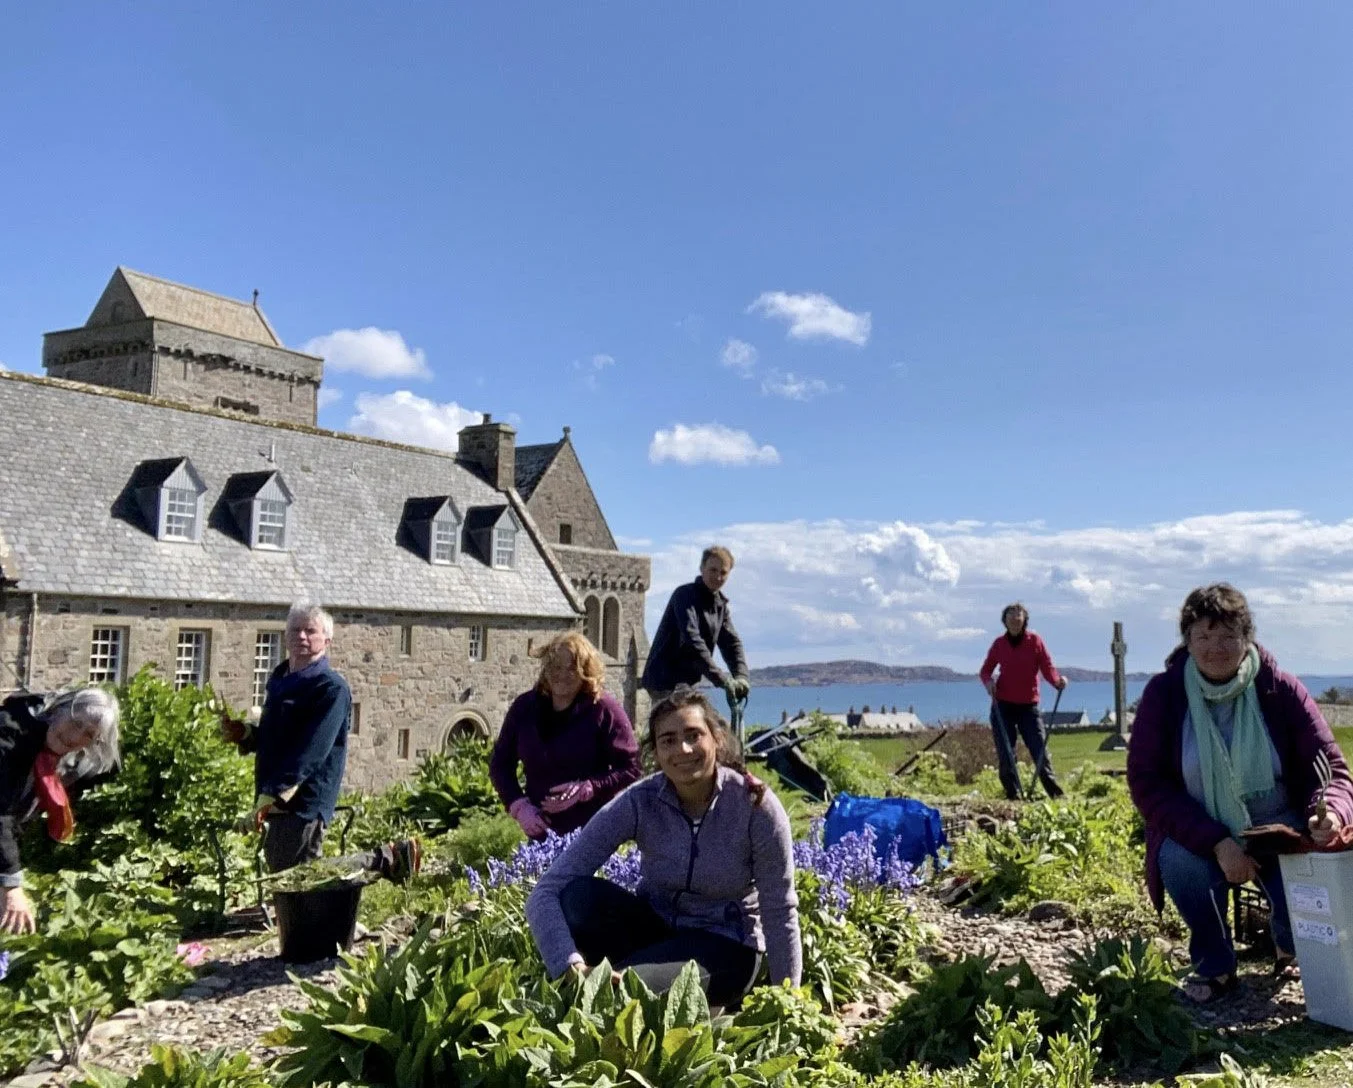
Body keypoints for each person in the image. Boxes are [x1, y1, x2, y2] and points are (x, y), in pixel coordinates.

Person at [1127, 584, 1353, 1003]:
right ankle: (1215, 966)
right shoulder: (1165, 695)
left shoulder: (1279, 688)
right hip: (1198, 828)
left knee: (1308, 866)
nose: (1216, 648)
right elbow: (1147, 782)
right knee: (1181, 864)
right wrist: (1217, 841)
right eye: (1203, 636)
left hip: (1279, 820)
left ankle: (1290, 943)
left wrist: (1331, 814)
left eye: (1228, 636)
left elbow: (1330, 769)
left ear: (1247, 637)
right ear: (1187, 641)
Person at [525, 689, 801, 1010]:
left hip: (726, 945)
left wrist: (788, 1004)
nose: (682, 749)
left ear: (717, 739)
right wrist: (568, 964)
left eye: (693, 735)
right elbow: (546, 891)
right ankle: (626, 980)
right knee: (577, 897)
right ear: (655, 752)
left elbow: (779, 910)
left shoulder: (754, 806)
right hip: (657, 929)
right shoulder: (640, 801)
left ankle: (648, 986)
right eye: (668, 740)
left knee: (627, 993)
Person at [221, 601, 419, 881]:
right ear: (286, 635)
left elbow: (312, 750)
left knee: (302, 877)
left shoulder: (331, 688)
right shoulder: (280, 680)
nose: (301, 636)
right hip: (274, 795)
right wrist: (245, 733)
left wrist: (273, 792)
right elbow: (278, 736)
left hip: (305, 799)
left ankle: (386, 859)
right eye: (295, 630)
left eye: (310, 631)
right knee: (291, 874)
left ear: (326, 639)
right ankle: (388, 859)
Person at [490, 631, 642, 839]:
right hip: (540, 830)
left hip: (591, 831)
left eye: (572, 668)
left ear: (586, 672)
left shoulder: (604, 710)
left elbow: (631, 768)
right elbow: (500, 764)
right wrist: (519, 805)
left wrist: (589, 787)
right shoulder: (525, 707)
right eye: (555, 666)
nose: (561, 674)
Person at [1, 687, 121, 934]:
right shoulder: (9, 736)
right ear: (60, 708)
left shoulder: (55, 757)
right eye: (75, 722)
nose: (74, 736)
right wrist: (11, 885)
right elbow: (1, 813)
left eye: (88, 734)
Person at [978, 602, 1068, 800]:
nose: (1015, 618)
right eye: (1011, 615)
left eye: (1018, 615)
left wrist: (1057, 682)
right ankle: (1014, 794)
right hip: (1002, 705)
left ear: (1024, 620)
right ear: (1005, 621)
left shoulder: (1035, 641)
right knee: (1006, 753)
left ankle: (1055, 793)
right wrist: (988, 683)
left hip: (1029, 706)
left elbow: (1047, 667)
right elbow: (985, 670)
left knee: (1039, 750)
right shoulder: (999, 644)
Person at [641, 546, 750, 706]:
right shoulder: (684, 596)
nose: (718, 576)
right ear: (702, 568)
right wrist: (723, 680)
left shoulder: (720, 606)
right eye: (713, 570)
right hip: (664, 680)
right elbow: (693, 641)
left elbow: (732, 644)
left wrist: (741, 676)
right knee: (675, 725)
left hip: (687, 682)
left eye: (723, 572)